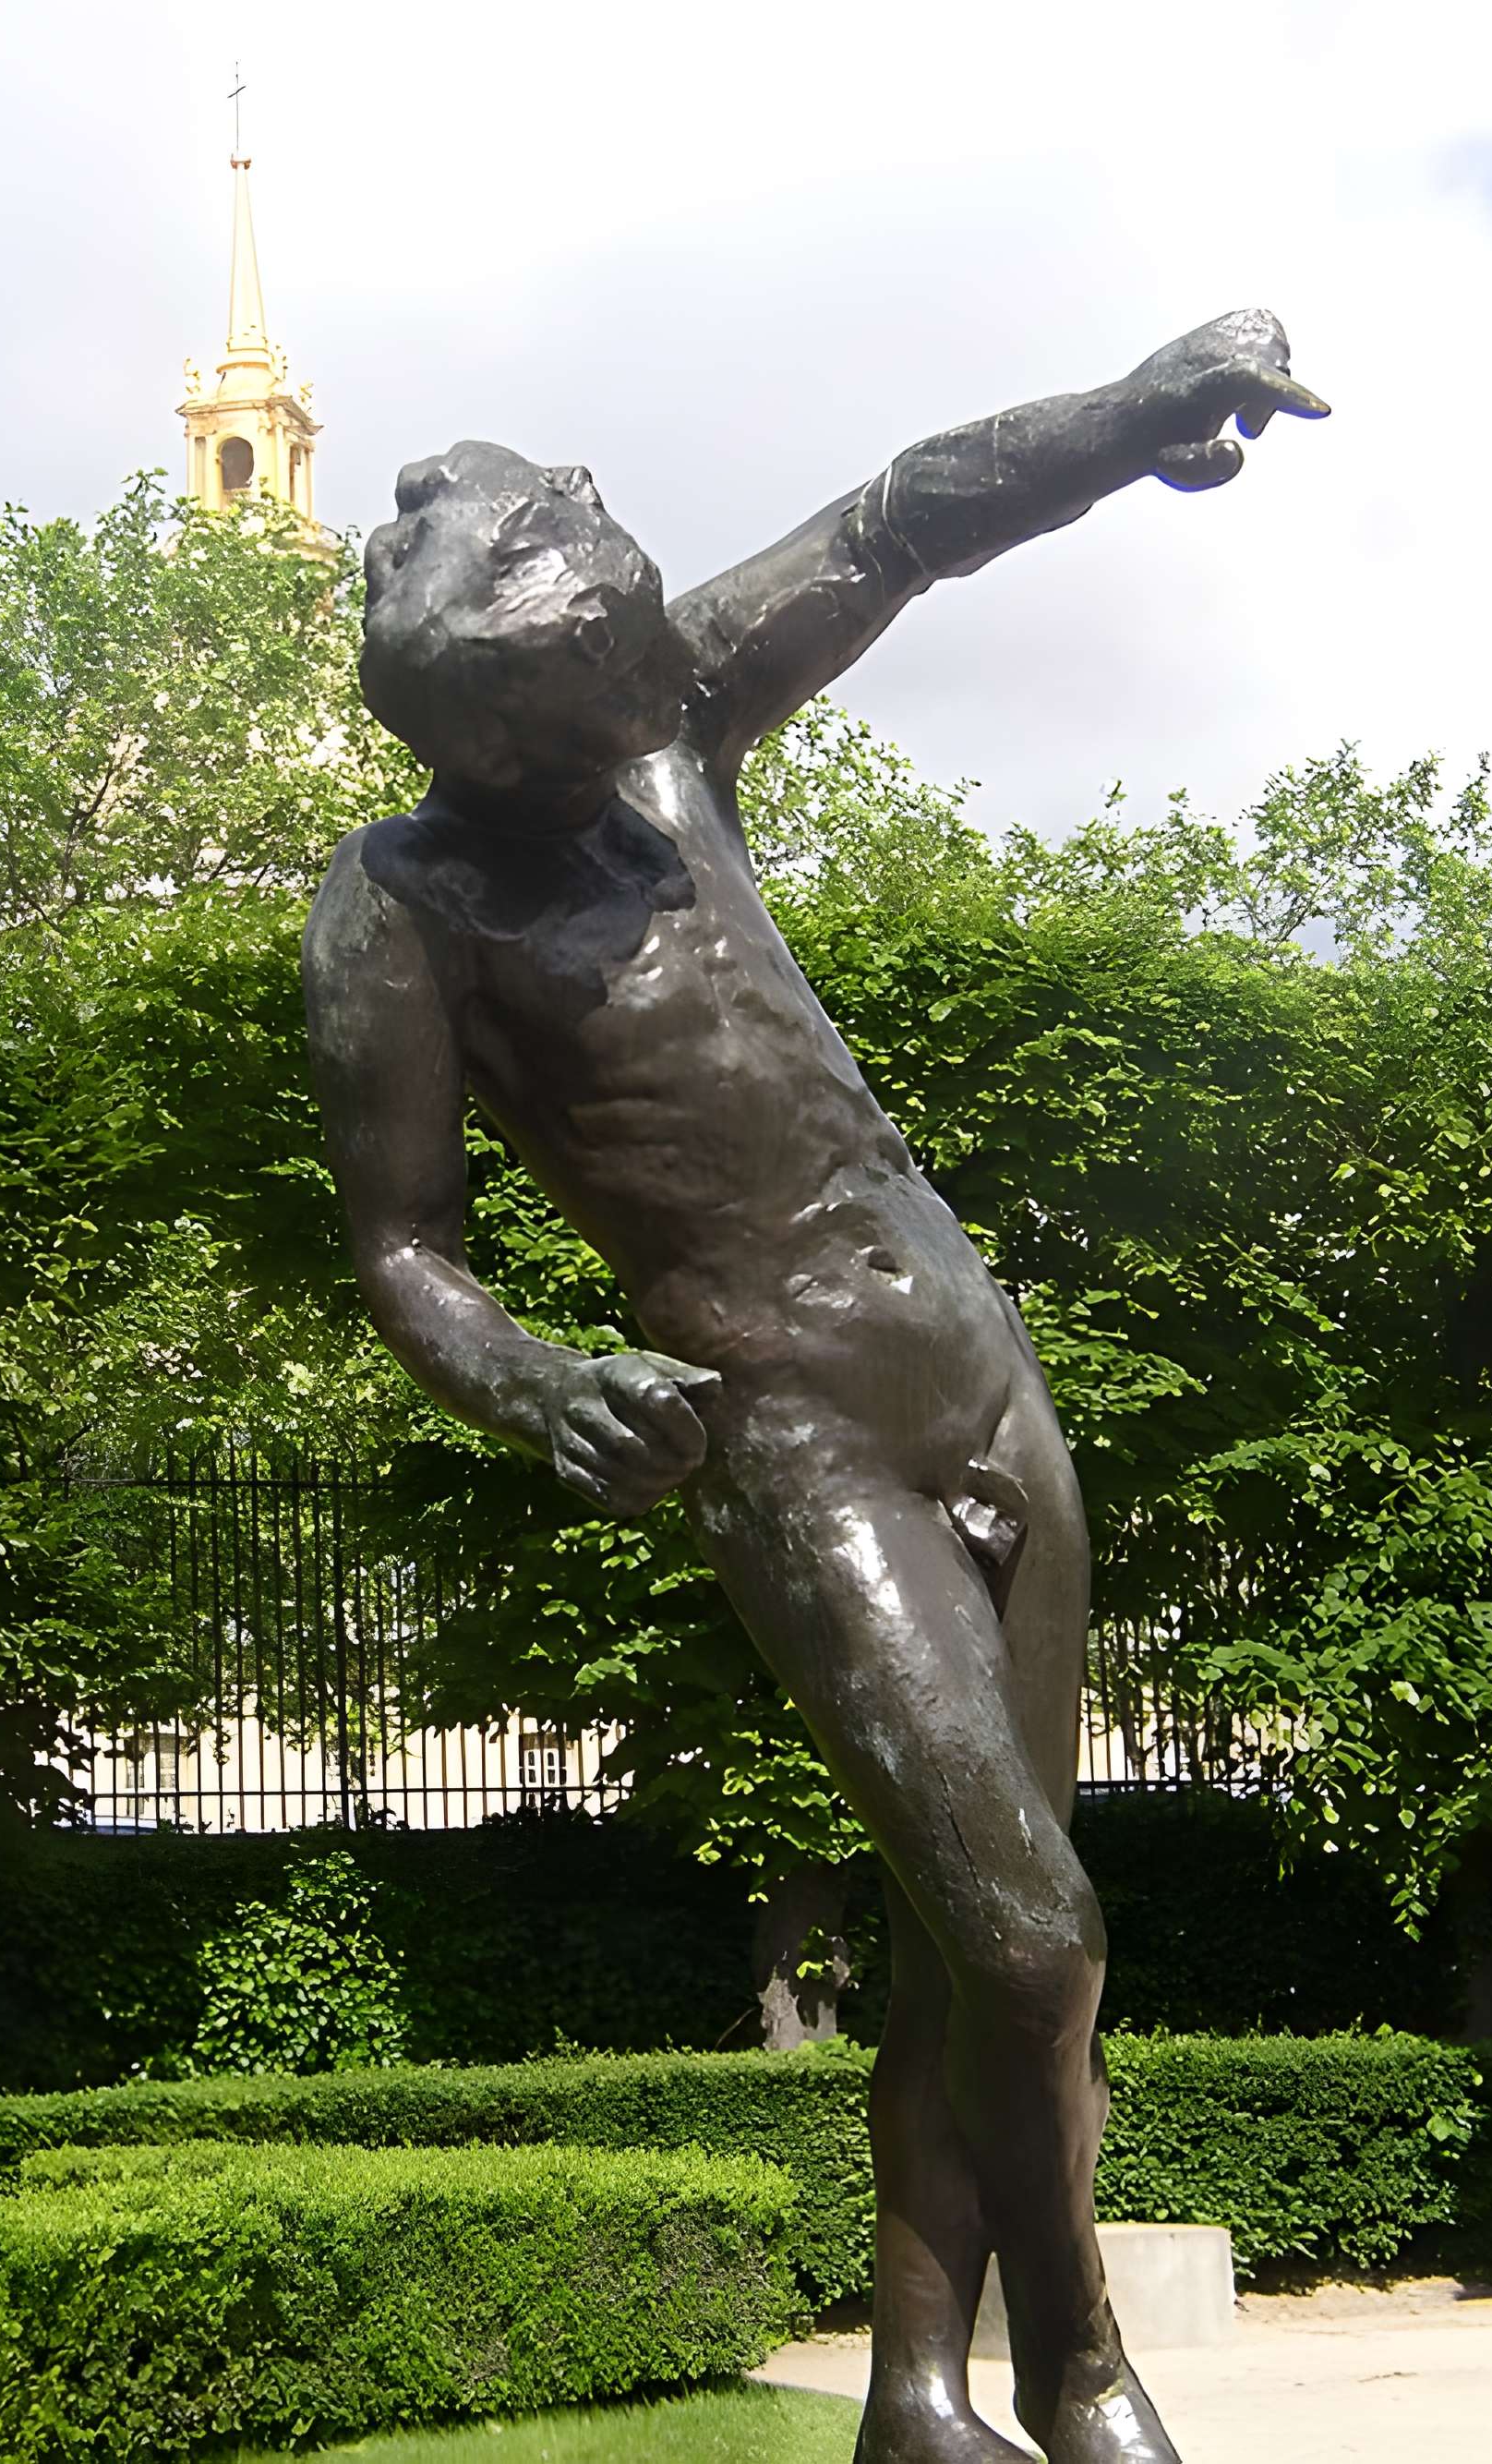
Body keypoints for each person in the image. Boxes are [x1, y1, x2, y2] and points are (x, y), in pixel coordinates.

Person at [302, 309, 1327, 2464]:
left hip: (980, 1380)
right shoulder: (400, 904)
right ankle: (1081, 2368)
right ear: (483, 736)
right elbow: (405, 1241)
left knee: (979, 1937)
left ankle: (913, 2398)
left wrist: (1131, 417)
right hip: (787, 1437)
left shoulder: (667, 728)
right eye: (575, 722)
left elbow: (902, 519)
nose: (633, 724)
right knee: (1035, 1933)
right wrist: (531, 1377)